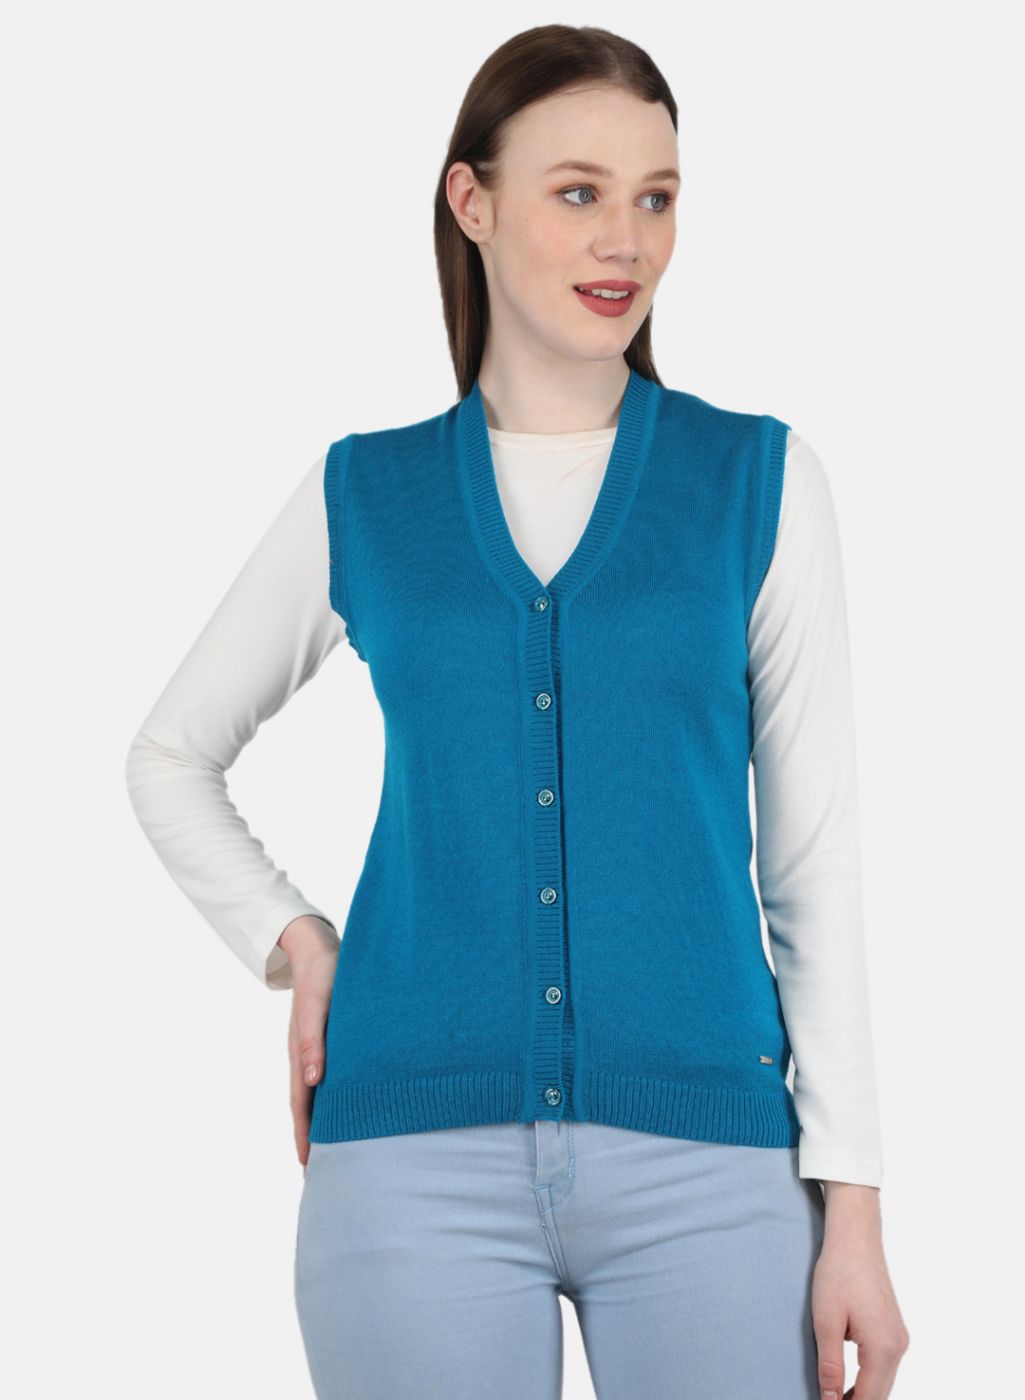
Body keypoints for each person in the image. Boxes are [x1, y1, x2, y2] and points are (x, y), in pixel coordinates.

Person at [125, 23, 910, 1400]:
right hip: (406, 1162)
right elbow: (171, 756)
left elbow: (813, 866)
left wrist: (852, 1209)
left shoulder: (758, 483)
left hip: (713, 1165)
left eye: (656, 197)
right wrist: (295, 941)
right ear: (471, 202)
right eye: (578, 192)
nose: (625, 241)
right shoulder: (366, 493)